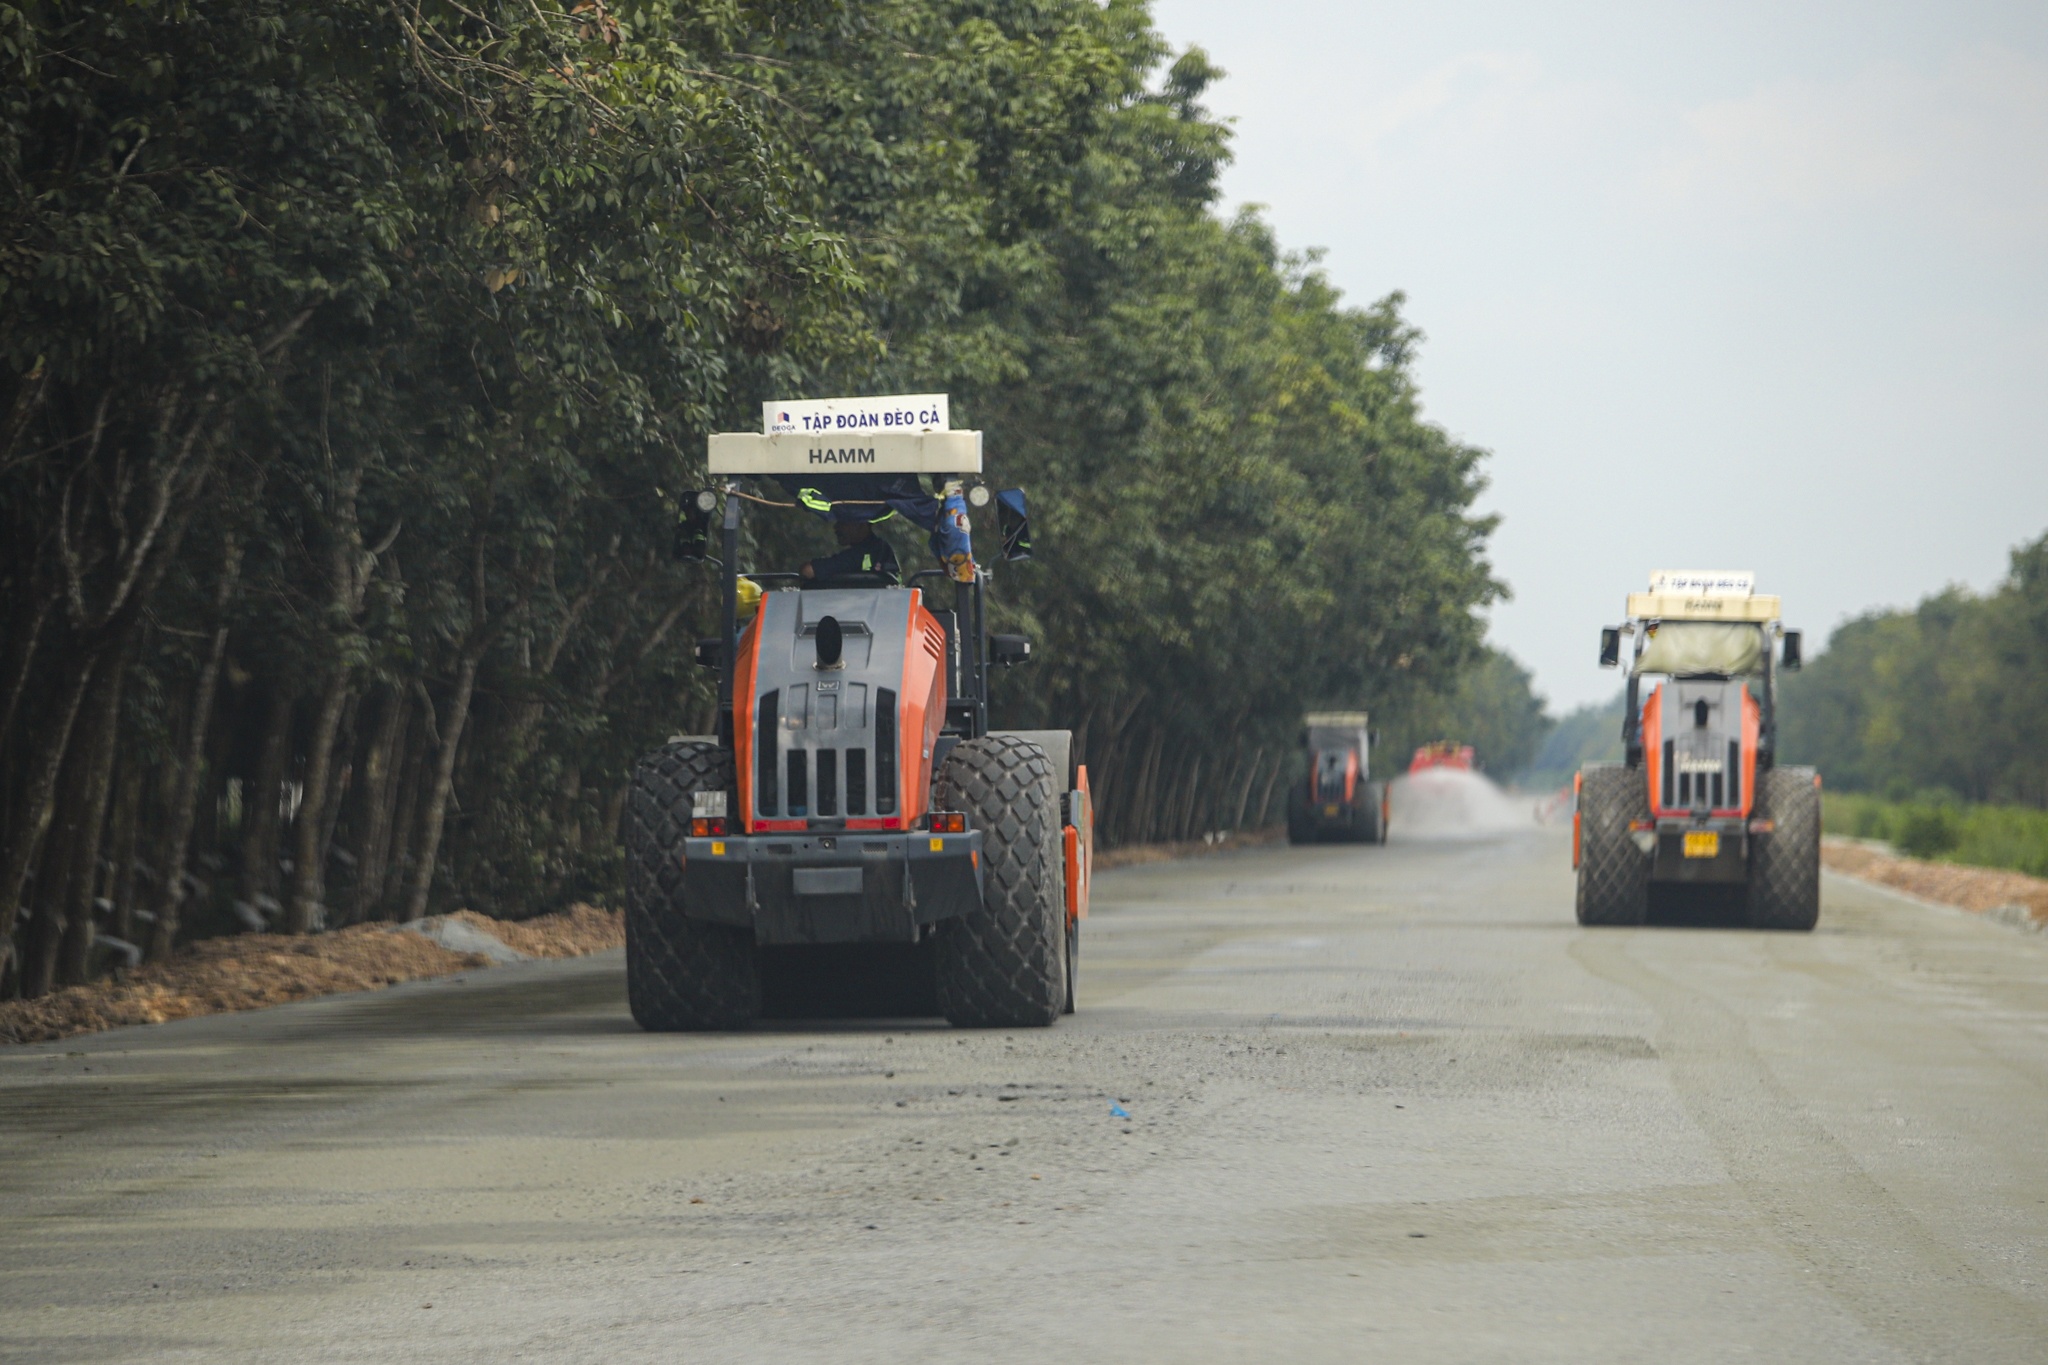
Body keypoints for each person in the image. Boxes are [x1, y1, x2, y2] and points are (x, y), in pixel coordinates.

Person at [800, 517, 900, 584]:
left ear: (862, 523)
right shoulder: (881, 548)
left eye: (843, 521)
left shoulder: (861, 554)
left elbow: (808, 570)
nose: (836, 527)